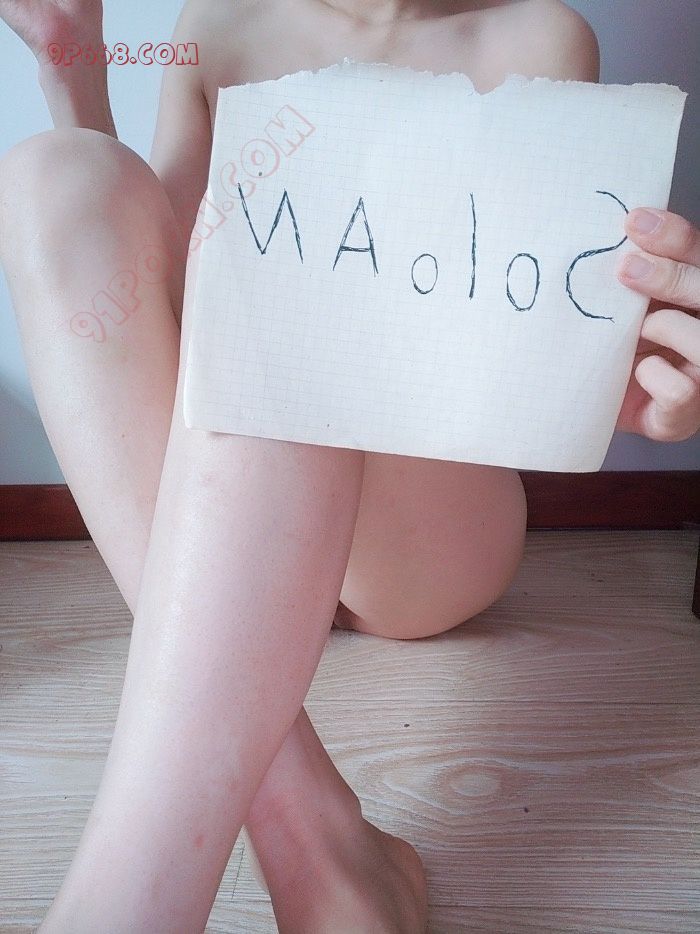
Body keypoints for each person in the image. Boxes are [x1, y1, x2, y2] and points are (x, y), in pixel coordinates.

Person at [0, 0, 698, 930]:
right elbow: (158, 281)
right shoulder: (220, 21)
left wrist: (625, 368)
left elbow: (523, 325)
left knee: (296, 274)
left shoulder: (538, 37)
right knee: (60, 175)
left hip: (420, 528)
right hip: (241, 507)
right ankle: (323, 851)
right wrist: (73, 76)